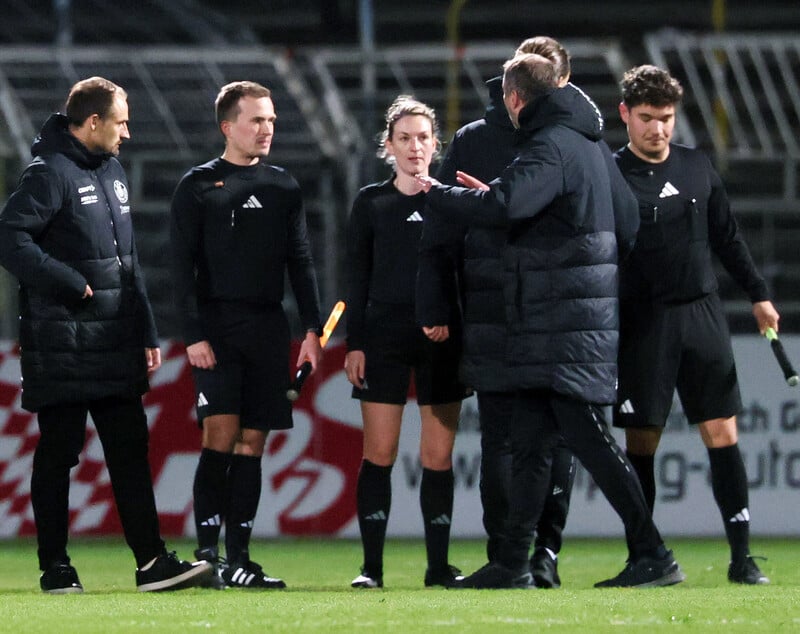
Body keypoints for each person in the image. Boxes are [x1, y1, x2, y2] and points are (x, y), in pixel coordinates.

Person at [418, 54, 684, 589]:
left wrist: (439, 192)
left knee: (588, 440)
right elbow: (627, 221)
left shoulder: (552, 144)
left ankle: (654, 553)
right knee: (535, 443)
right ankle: (515, 562)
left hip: (560, 323)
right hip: (569, 319)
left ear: (515, 99)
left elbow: (507, 204)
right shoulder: (586, 144)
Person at [0, 77, 213, 593]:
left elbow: (128, 263)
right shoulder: (49, 173)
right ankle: (55, 566)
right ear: (92, 122)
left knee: (129, 453)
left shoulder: (113, 171)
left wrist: (146, 329)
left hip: (115, 342)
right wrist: (70, 282)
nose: (128, 132)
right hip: (64, 344)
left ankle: (151, 563)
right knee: (60, 452)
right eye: (120, 121)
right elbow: (9, 237)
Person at [416, 35, 579, 589]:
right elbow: (440, 231)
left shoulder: (570, 142)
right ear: (518, 90)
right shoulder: (476, 141)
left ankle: (544, 555)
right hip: (491, 312)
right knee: (502, 440)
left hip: (556, 313)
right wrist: (436, 301)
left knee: (556, 440)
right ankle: (505, 554)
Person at [612, 65, 778, 585]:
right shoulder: (609, 173)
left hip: (702, 316)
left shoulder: (697, 167)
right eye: (646, 119)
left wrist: (759, 296)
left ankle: (742, 557)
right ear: (625, 116)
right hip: (644, 323)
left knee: (722, 433)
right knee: (642, 443)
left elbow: (728, 239)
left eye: (665, 119)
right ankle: (645, 554)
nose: (657, 129)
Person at [169, 81, 324, 589]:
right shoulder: (197, 186)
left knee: (253, 441)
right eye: (257, 120)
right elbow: (179, 268)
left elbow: (300, 261)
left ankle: (239, 558)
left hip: (266, 327)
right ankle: (206, 553)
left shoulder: (283, 186)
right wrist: (191, 332)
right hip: (215, 327)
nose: (266, 129)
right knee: (220, 433)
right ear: (227, 126)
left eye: (272, 120)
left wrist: (312, 329)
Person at [344, 95, 469, 590]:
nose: (415, 147)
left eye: (423, 138)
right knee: (380, 452)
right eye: (405, 138)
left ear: (436, 145)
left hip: (441, 340)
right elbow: (358, 276)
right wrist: (355, 343)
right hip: (383, 339)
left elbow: (462, 274)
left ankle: (438, 568)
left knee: (438, 458)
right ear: (388, 147)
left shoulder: (452, 201)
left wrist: (450, 319)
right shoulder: (371, 203)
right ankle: (371, 569)